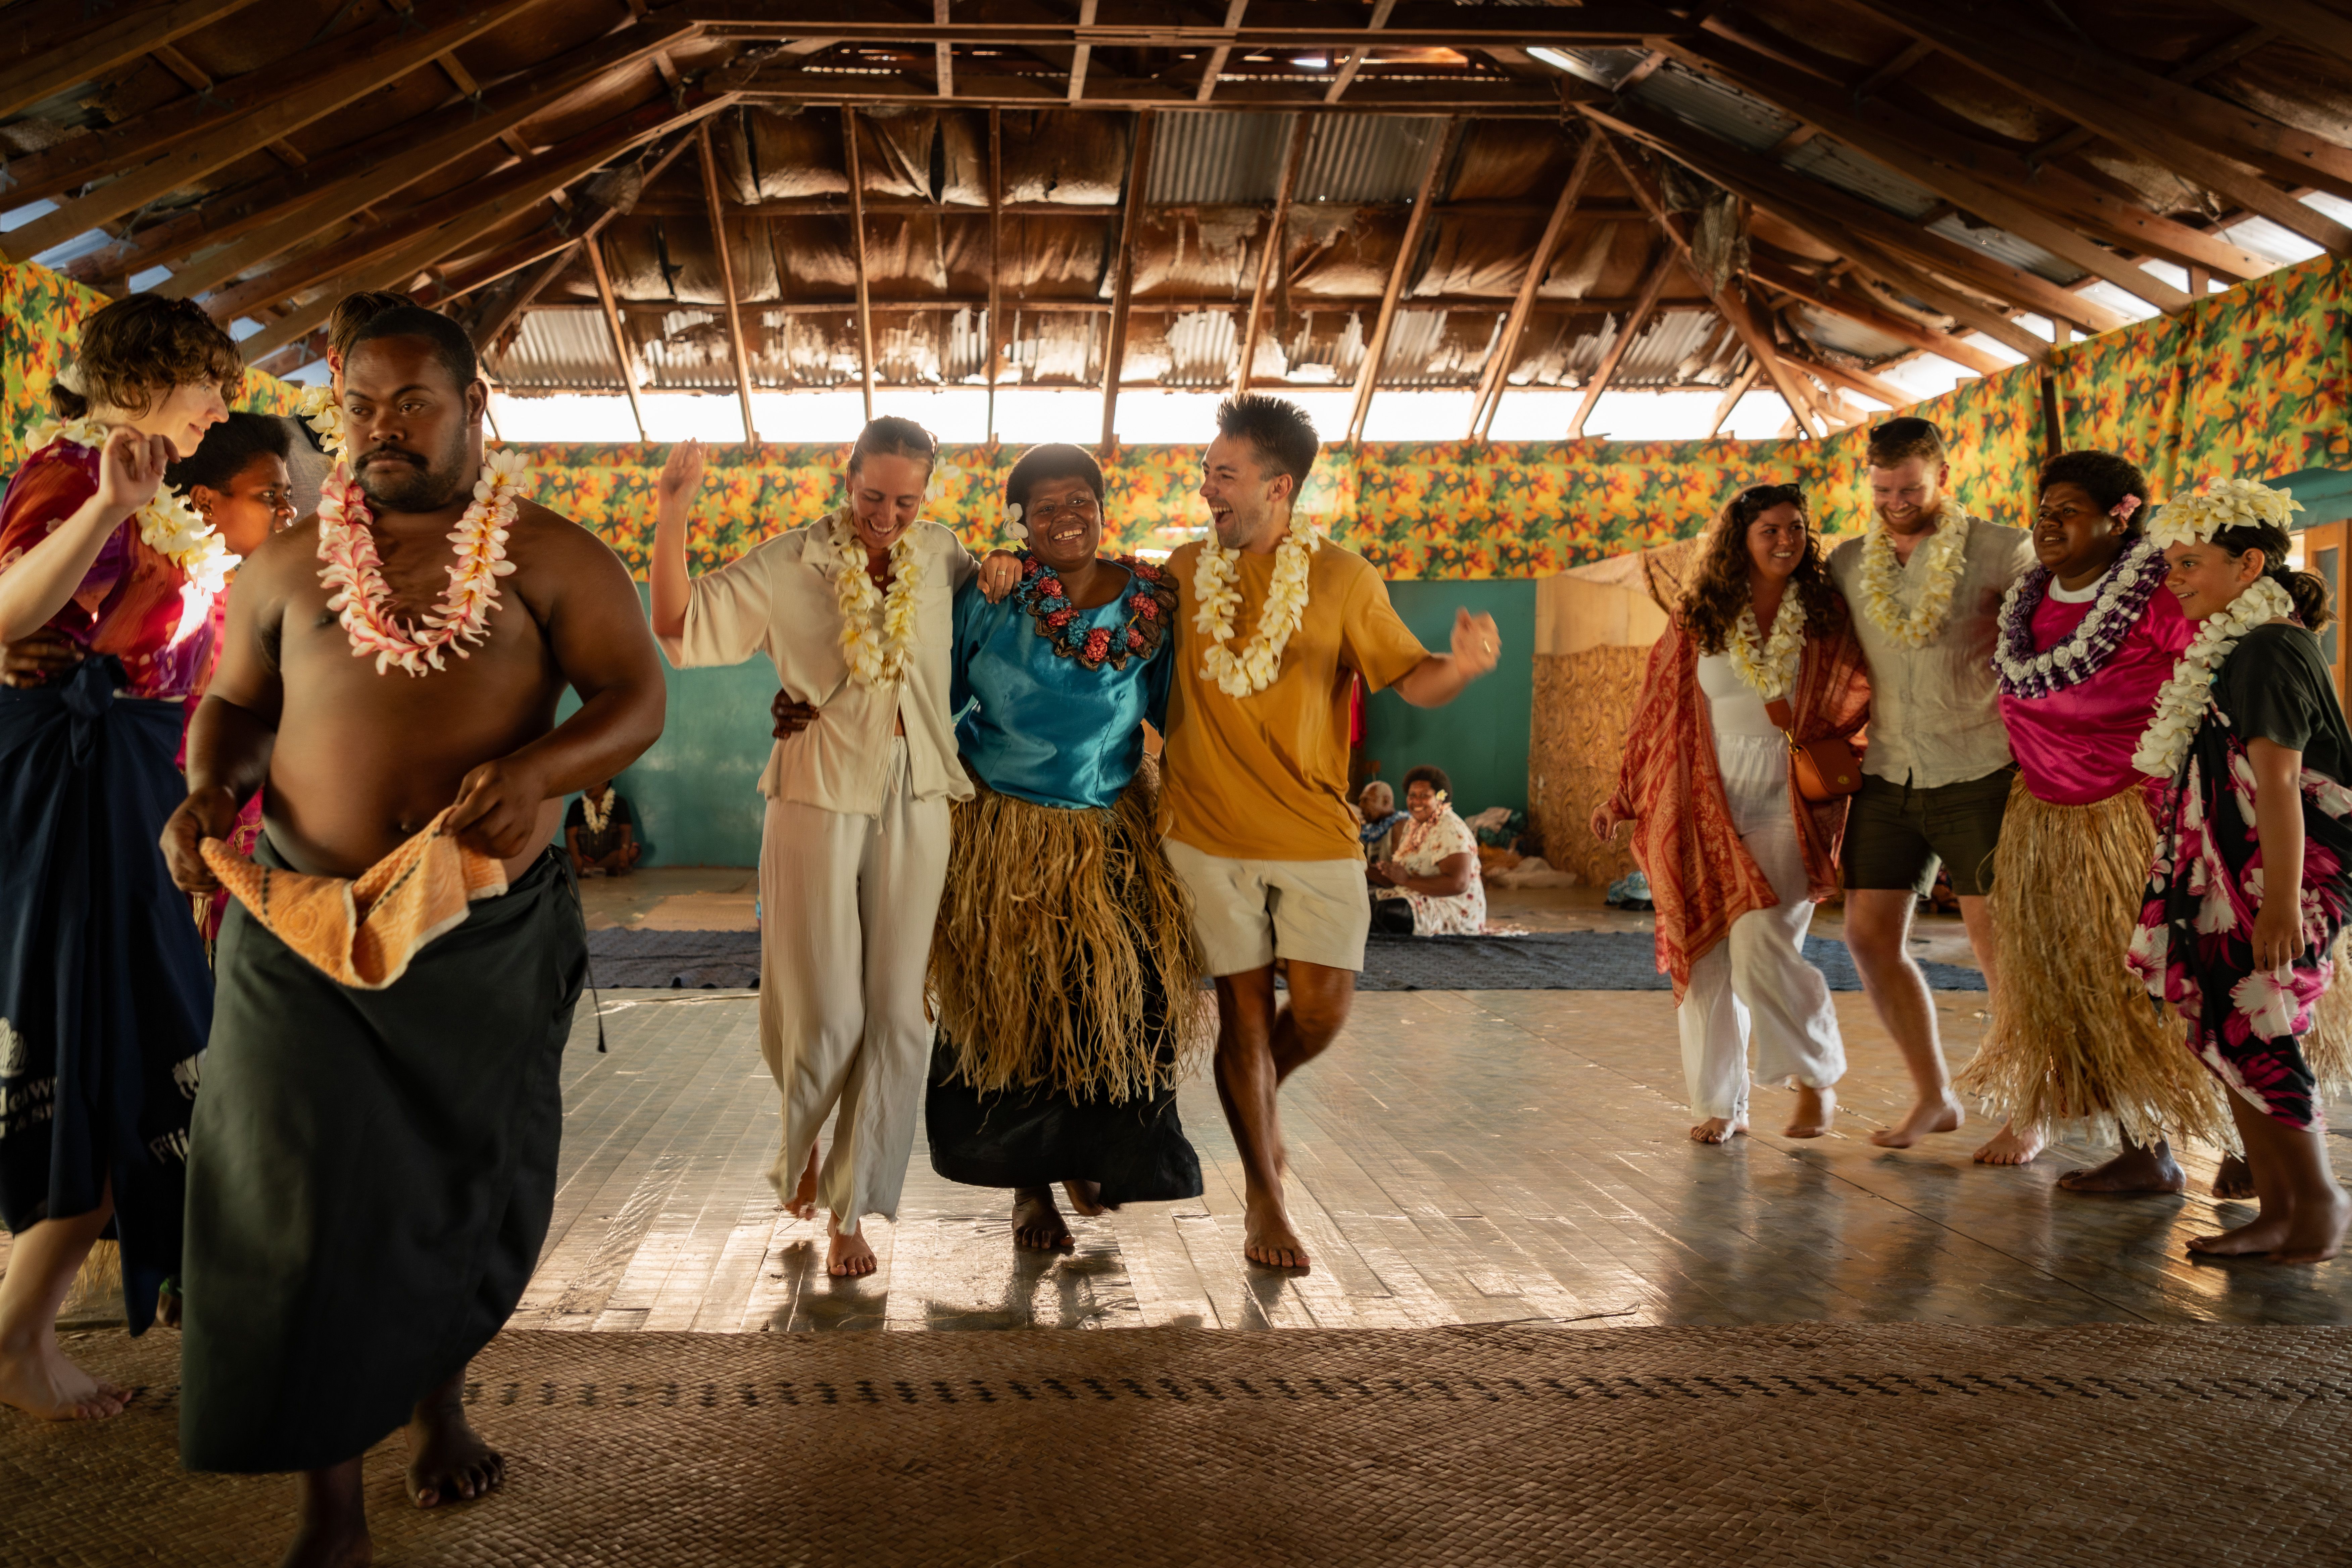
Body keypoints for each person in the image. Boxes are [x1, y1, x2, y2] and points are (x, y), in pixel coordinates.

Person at [160, 304, 666, 1565]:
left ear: (474, 406)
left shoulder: (551, 554)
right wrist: (211, 787)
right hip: (298, 925)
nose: (382, 431)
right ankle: (332, 1509)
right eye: (362, 409)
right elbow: (232, 706)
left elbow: (636, 696)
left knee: (446, 1184)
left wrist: (544, 766)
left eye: (411, 404)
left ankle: (437, 1399)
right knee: (295, 1196)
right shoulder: (286, 565)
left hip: (476, 929)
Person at [972, 395, 1498, 1271]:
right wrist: (1010, 558)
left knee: (1323, 1013)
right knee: (1242, 1021)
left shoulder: (1344, 578)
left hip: (1316, 832)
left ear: (1277, 487)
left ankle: (1260, 1095)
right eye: (1207, 471)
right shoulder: (1180, 571)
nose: (1206, 485)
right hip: (1203, 831)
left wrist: (1469, 667)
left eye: (1224, 474)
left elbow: (1414, 678)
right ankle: (1266, 1197)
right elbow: (1087, 590)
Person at [650, 420, 972, 1279]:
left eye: (907, 500)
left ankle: (847, 1202)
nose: (889, 516)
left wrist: (1011, 568)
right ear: (848, 478)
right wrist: (672, 511)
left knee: (901, 1014)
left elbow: (992, 636)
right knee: (829, 1009)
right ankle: (803, 1142)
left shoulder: (945, 557)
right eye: (874, 497)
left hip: (921, 792)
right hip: (814, 790)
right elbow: (678, 624)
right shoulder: (787, 561)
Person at [0, 295, 235, 1420]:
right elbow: (5, 617)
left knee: (128, 1057)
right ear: (157, 375)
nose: (220, 409)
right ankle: (21, 1342)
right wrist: (102, 510)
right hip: (75, 803)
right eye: (212, 385)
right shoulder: (72, 475)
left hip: (134, 794)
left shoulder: (145, 489)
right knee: (95, 1057)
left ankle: (24, 1336)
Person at [926, 443, 1205, 1251]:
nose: (1065, 518)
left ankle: (1098, 1156)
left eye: (1078, 499)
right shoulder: (991, 596)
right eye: (1044, 507)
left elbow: (1179, 713)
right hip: (1004, 833)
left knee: (1123, 999)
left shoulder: (1151, 601)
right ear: (1019, 521)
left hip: (1113, 828)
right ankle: (1028, 1189)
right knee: (1016, 1010)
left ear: (1103, 507)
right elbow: (931, 696)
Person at [1958, 451, 2220, 1189]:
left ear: (2122, 514)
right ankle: (2144, 1146)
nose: (2047, 524)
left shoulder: (2159, 594)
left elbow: (2216, 671)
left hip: (2136, 822)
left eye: (2067, 510)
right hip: (2049, 822)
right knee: (2090, 992)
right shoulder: (2031, 596)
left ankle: (2227, 1145)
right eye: (2042, 510)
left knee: (2159, 985)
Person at [1592, 483, 1870, 1143]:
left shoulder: (1827, 614)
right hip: (1705, 797)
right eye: (1769, 530)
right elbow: (1656, 710)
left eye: (1795, 528)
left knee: (1760, 948)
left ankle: (1816, 1077)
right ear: (1741, 539)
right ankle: (1721, 1104)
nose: (1784, 541)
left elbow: (1861, 692)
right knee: (1710, 958)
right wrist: (1626, 795)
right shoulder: (1703, 614)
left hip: (1791, 799)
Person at [2129, 480, 2352, 1263]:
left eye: (2191, 562)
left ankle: (2316, 1207)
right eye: (2171, 564)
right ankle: (2283, 1205)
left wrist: (2280, 906)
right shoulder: (2238, 646)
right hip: (2241, 874)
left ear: (2249, 562)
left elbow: (2282, 783)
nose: (2176, 578)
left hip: (2276, 878)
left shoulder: (2267, 649)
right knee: (2234, 1028)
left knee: (2262, 1023)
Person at [1826, 416, 2035, 1154]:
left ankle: (2030, 1108)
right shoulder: (1849, 562)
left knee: (1996, 949)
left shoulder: (2005, 550)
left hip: (1980, 769)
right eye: (1882, 489)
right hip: (1887, 772)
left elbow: (2054, 636)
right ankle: (1933, 1095)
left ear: (1941, 475)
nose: (1896, 501)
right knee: (1867, 934)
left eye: (1910, 488)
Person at [1368, 765, 1487, 936]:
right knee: (1361, 900)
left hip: (1452, 910)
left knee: (1385, 912)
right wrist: (1363, 867)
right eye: (1412, 796)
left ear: (1440, 799)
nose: (1416, 802)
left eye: (1425, 796)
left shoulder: (1450, 827)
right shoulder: (1413, 825)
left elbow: (1459, 884)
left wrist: (1407, 880)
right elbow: (1397, 880)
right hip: (1416, 897)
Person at [565, 777, 641, 876]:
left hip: (612, 857)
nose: (588, 788)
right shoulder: (576, 806)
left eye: (592, 784)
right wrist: (575, 857)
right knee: (558, 854)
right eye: (586, 785)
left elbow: (626, 831)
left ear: (605, 783)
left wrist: (624, 849)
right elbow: (570, 836)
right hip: (584, 858)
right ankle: (607, 870)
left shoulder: (619, 803)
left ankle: (593, 870)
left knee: (633, 851)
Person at [1356, 779, 1406, 866]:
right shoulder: (1372, 827)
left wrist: (1361, 867)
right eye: (1361, 800)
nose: (1361, 805)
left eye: (1366, 800)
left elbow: (1398, 875)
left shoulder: (1400, 824)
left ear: (1386, 801)